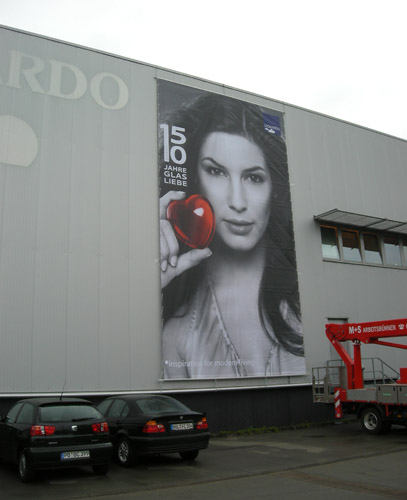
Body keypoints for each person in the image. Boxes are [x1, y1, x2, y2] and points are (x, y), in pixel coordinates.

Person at [159, 91, 305, 378]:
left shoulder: (306, 300)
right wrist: (150, 287)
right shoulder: (176, 332)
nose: (237, 202)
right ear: (196, 178)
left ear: (274, 188)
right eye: (216, 172)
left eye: (254, 178)